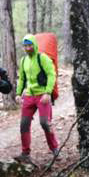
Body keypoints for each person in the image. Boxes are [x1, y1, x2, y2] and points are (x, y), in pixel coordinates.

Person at [14, 34, 59, 163]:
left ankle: (55, 148)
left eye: (29, 45)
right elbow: (22, 78)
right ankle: (25, 153)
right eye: (25, 46)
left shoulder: (42, 58)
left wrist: (47, 92)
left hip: (42, 95)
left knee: (45, 123)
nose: (28, 48)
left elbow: (51, 75)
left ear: (34, 45)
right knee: (24, 124)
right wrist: (18, 93)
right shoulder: (23, 61)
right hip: (29, 96)